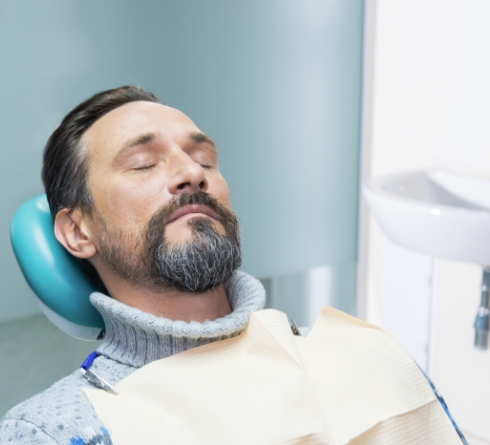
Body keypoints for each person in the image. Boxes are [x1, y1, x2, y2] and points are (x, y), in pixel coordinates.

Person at [0, 86, 466, 445]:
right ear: (78, 232)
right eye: (143, 164)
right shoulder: (60, 428)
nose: (192, 172)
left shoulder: (362, 354)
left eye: (204, 158)